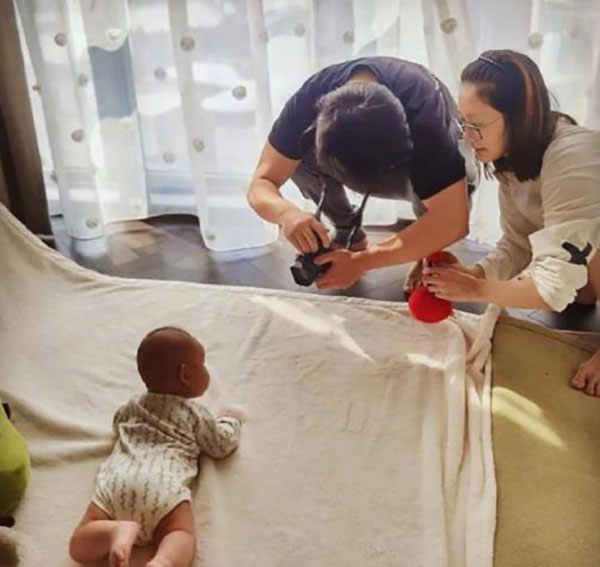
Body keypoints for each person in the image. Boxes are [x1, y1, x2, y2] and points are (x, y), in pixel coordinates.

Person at [422, 49, 600, 397]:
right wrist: (475, 274)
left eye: (476, 125)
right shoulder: (516, 156)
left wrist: (475, 290)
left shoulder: (572, 157)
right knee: (573, 283)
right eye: (463, 123)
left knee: (582, 258)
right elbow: (518, 242)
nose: (467, 137)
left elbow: (553, 286)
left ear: (518, 118)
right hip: (581, 257)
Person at [247, 56, 478, 290]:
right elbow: (261, 183)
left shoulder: (428, 125)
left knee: (437, 194)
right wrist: (285, 213)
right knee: (294, 159)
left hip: (423, 160)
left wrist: (363, 262)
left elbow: (453, 221)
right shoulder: (306, 105)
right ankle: (348, 232)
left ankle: (426, 253)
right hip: (372, 150)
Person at [69, 327, 242, 567]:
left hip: (119, 481)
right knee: (180, 534)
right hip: (163, 485)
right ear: (186, 375)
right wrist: (230, 421)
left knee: (79, 544)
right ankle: (162, 561)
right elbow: (220, 445)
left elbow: (117, 423)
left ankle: (116, 530)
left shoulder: (133, 406)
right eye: (202, 363)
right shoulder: (194, 413)